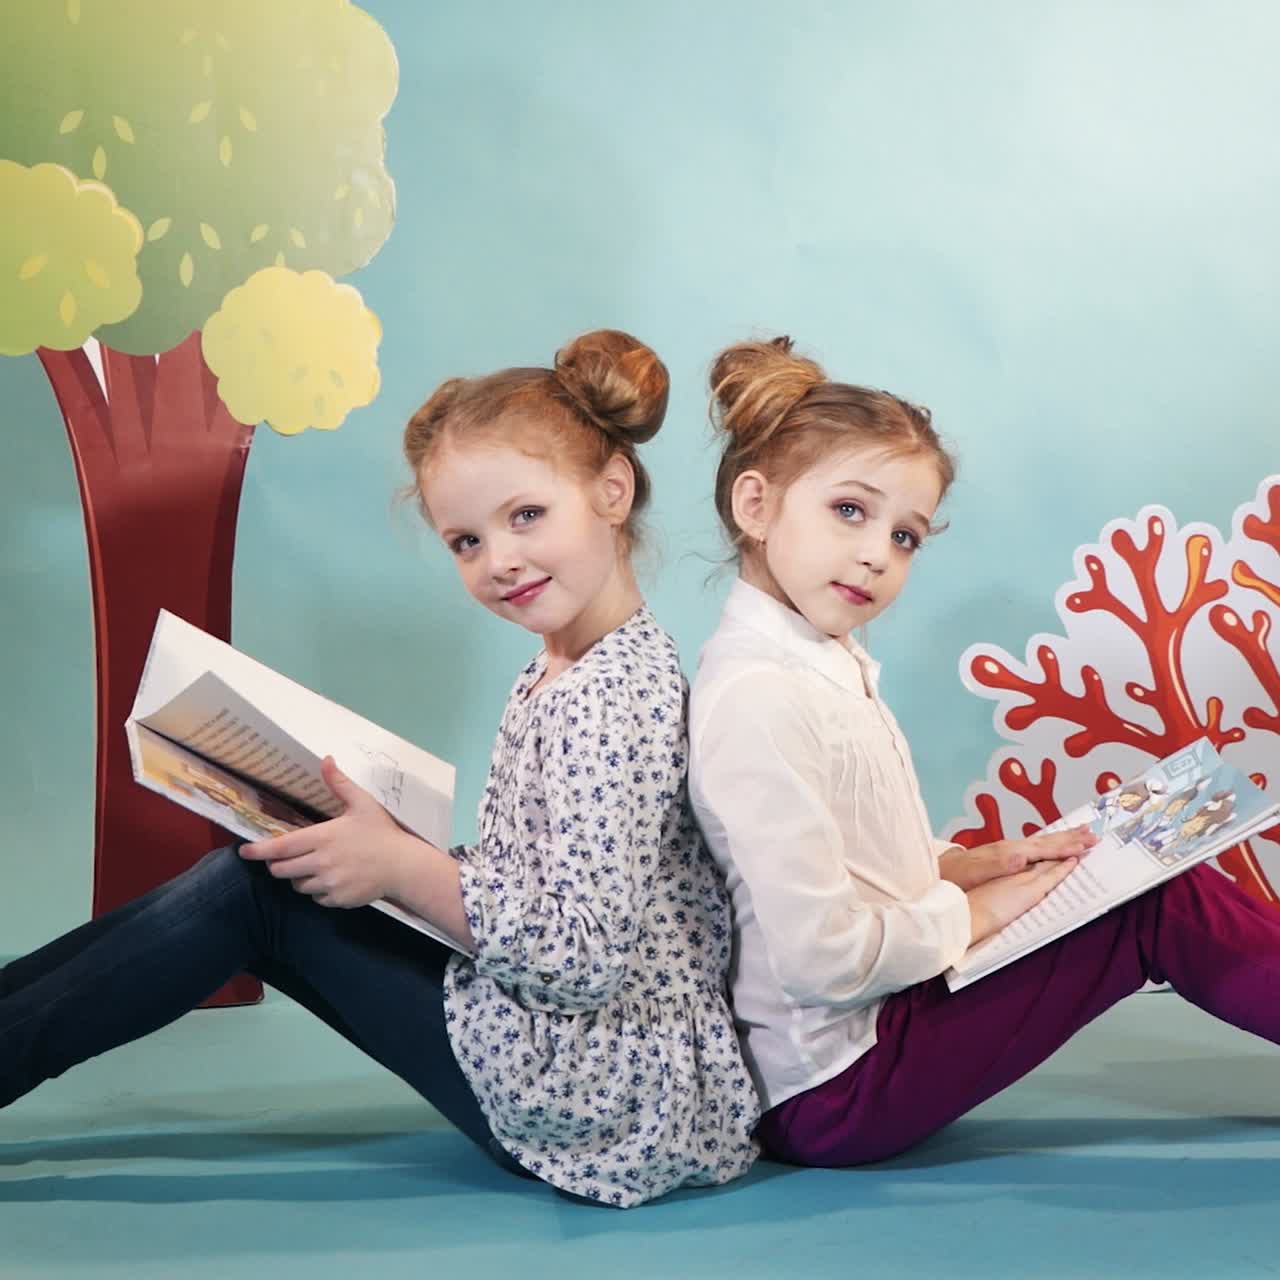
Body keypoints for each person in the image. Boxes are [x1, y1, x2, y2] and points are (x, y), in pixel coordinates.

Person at [1, 329, 759, 1207]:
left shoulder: (612, 699)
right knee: (268, 877)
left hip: (598, 1087)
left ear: (612, 491)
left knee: (250, 894)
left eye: (526, 516)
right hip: (576, 1044)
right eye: (465, 542)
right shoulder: (566, 663)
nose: (499, 560)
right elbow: (549, 875)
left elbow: (584, 958)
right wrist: (400, 856)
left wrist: (406, 869)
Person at [686, 335, 1280, 1168]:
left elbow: (852, 859)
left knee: (1144, 856)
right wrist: (974, 915)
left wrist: (975, 865)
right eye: (849, 511)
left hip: (878, 1029)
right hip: (836, 1090)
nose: (875, 554)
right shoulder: (758, 695)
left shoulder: (817, 660)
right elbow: (818, 958)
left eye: (905, 537)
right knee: (1156, 903)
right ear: (755, 506)